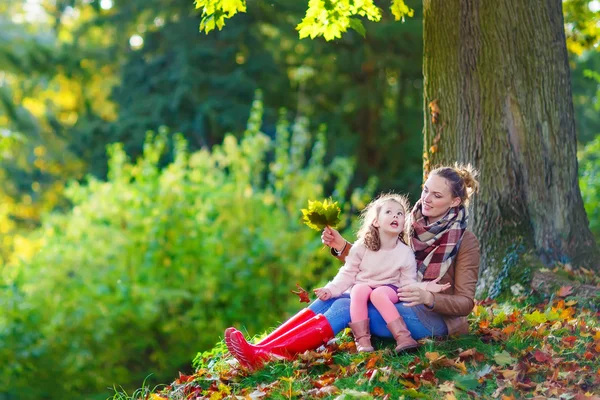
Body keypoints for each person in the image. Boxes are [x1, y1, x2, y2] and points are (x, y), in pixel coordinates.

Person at [224, 164, 480, 371]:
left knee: (345, 305)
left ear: (455, 201)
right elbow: (375, 262)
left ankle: (265, 355)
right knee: (338, 295)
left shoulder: (465, 241)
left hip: (431, 319)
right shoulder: (408, 223)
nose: (426, 199)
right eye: (425, 190)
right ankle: (260, 348)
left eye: (437, 195)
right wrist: (341, 246)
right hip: (392, 301)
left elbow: (465, 303)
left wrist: (428, 297)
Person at [313, 193, 450, 353]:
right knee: (358, 289)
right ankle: (363, 341)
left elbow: (408, 283)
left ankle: (403, 338)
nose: (395, 216)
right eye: (389, 212)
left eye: (400, 214)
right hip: (363, 288)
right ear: (376, 221)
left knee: (378, 294)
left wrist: (426, 287)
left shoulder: (405, 253)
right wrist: (330, 290)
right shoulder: (361, 247)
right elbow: (347, 273)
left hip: (390, 289)